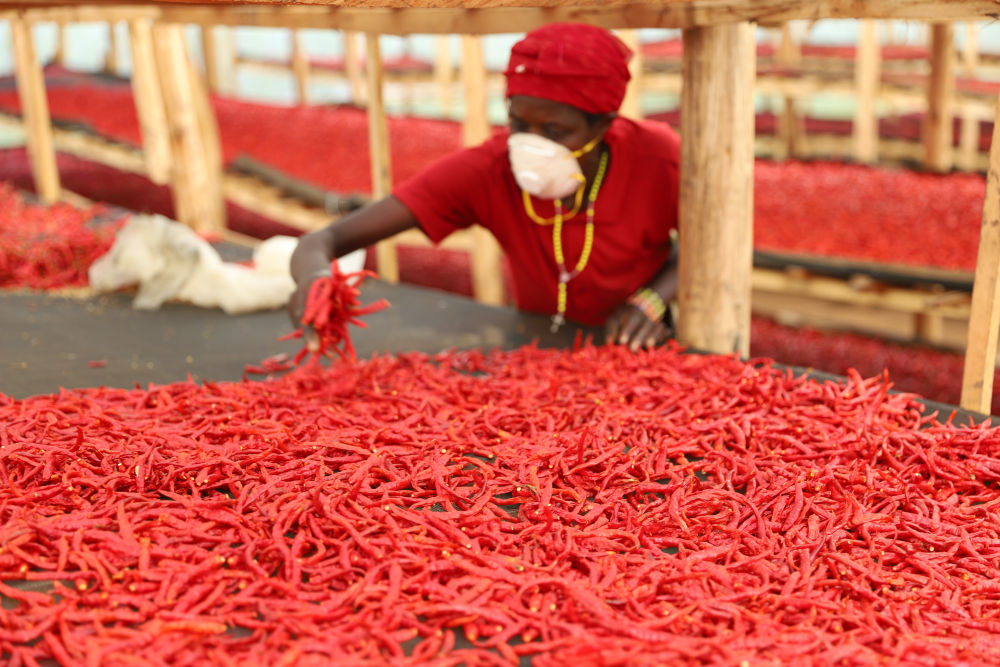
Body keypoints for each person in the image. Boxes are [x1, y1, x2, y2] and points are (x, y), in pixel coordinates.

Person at [289, 22, 680, 351]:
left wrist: (650, 302)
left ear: (604, 124)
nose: (532, 143)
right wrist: (314, 282)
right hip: (537, 350)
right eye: (519, 124)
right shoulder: (490, 169)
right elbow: (322, 241)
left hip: (637, 346)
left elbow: (709, 245)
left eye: (556, 131)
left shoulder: (658, 158)